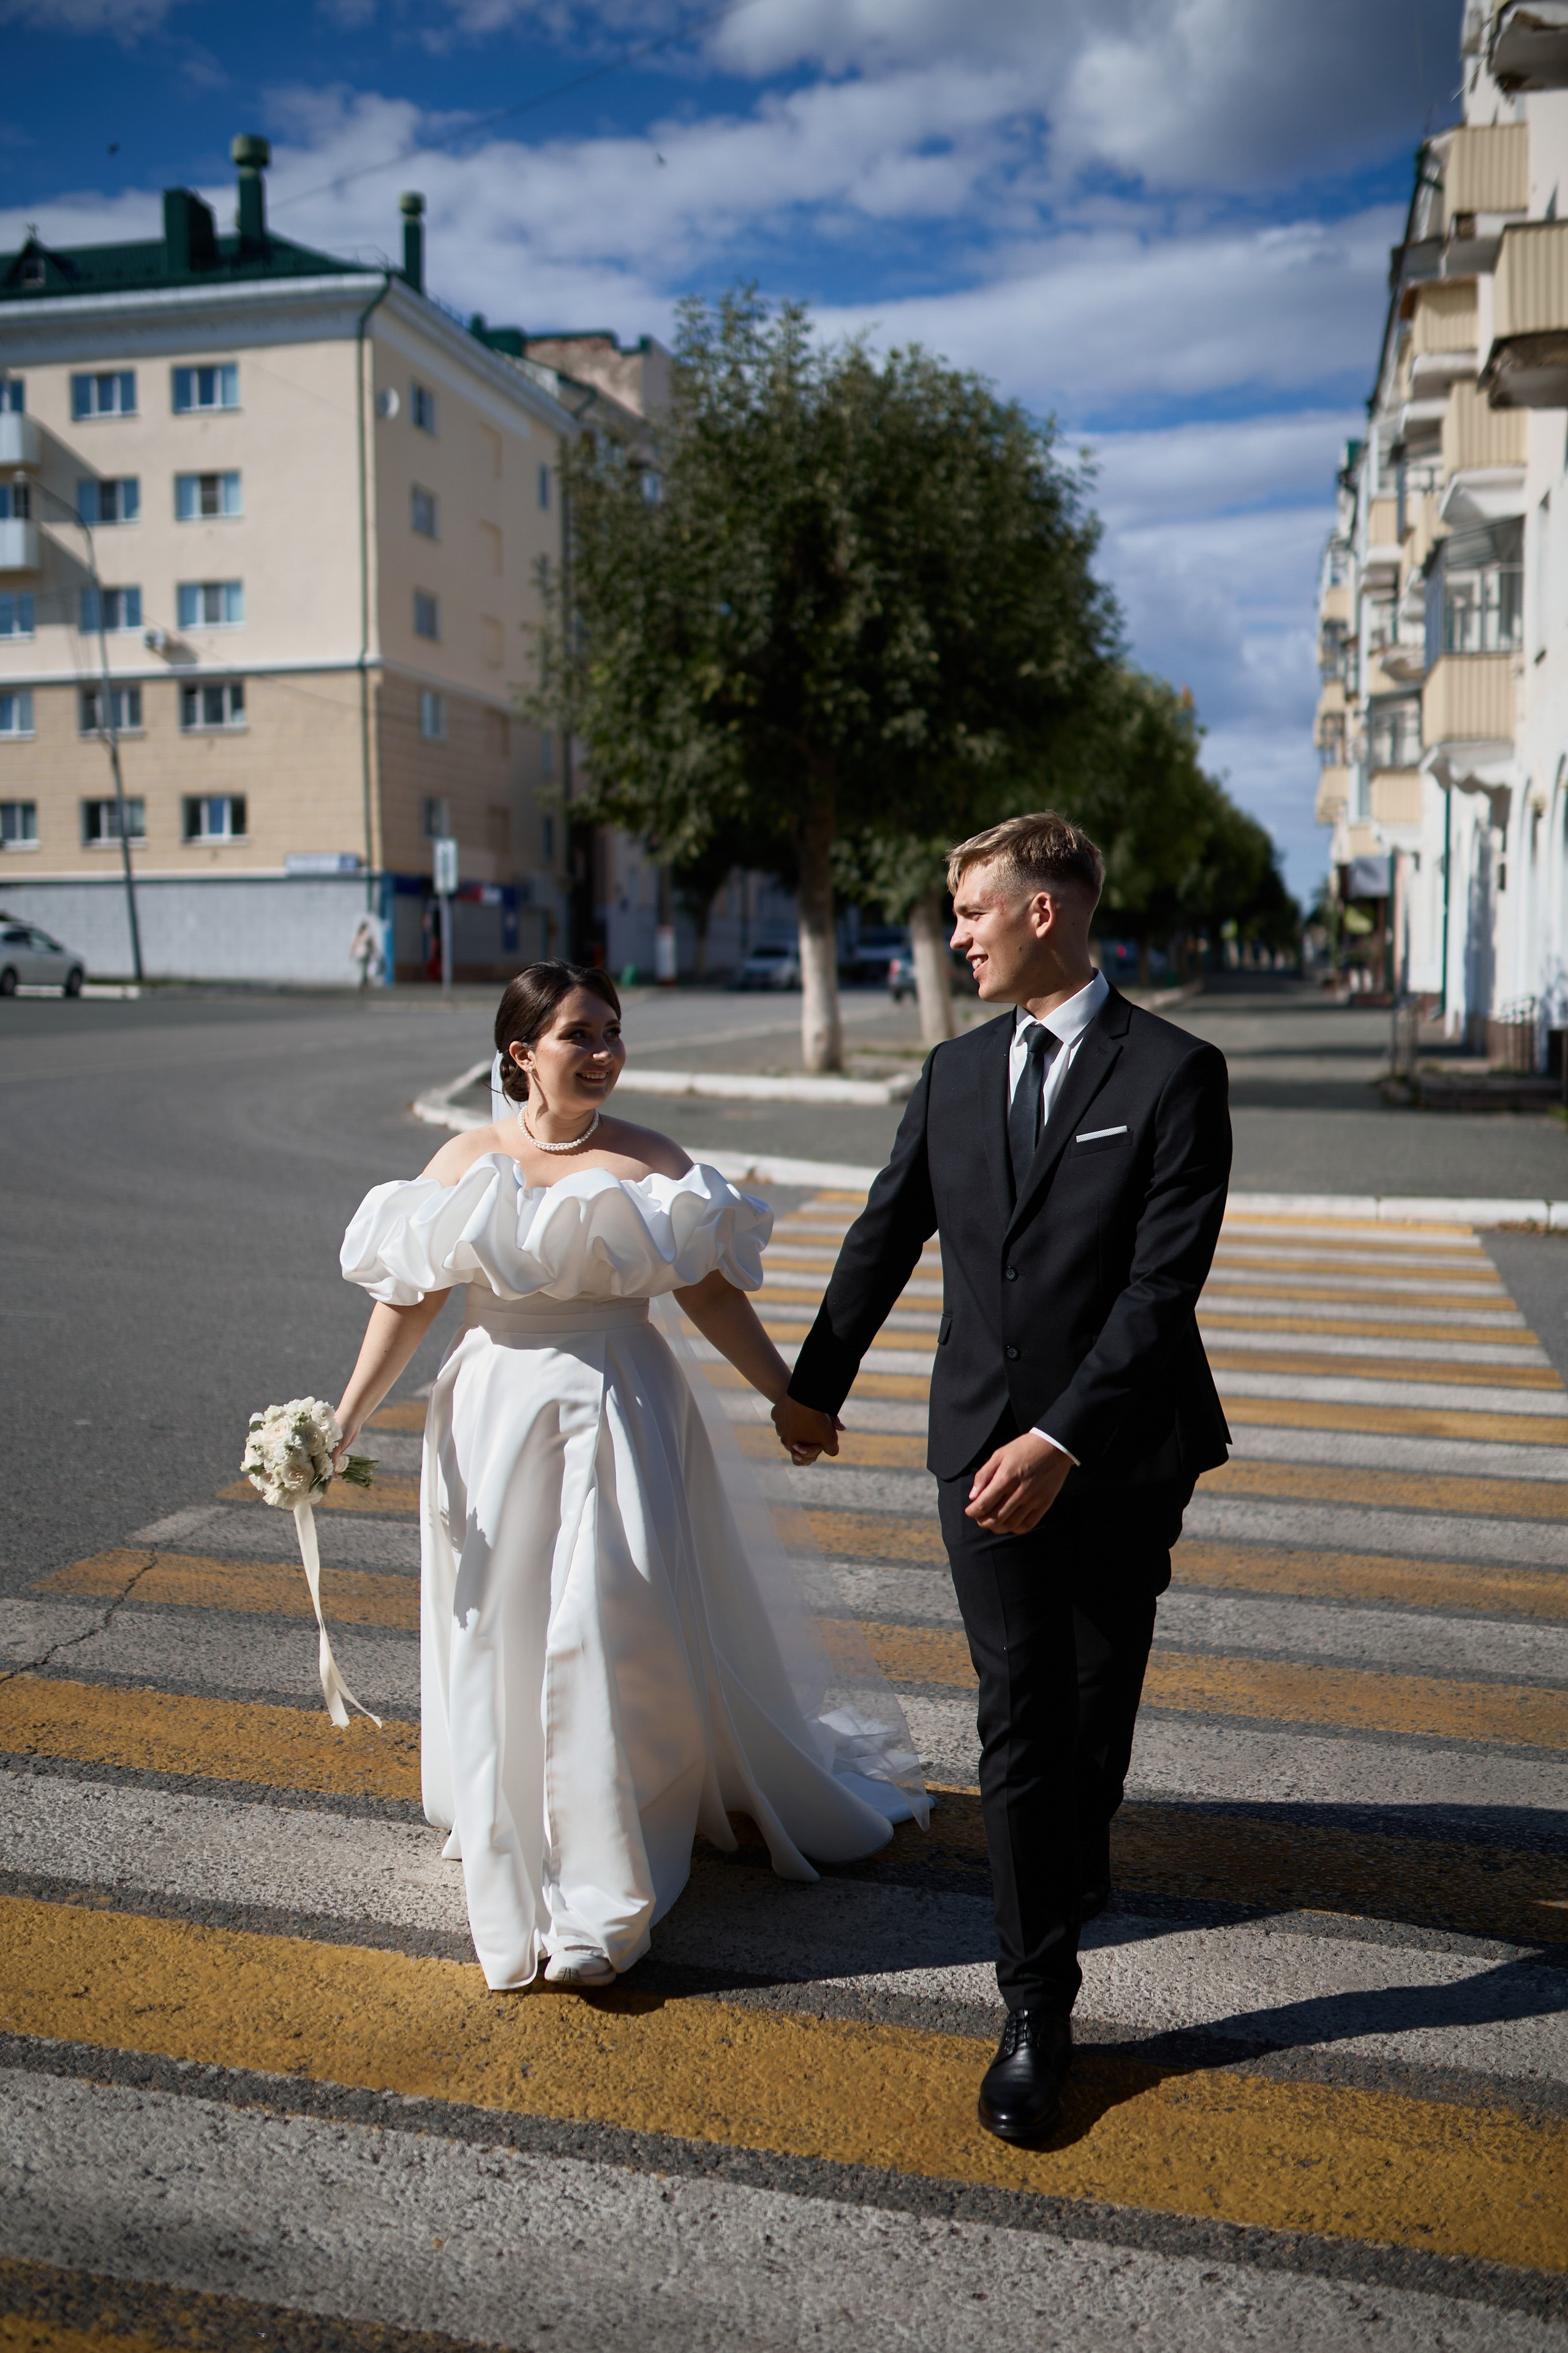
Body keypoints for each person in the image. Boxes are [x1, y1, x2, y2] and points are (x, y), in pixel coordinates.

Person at [334, 961, 924, 1993]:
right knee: (502, 1624)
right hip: (491, 1413)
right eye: (579, 1036)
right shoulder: (464, 1159)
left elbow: (707, 1293)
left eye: (612, 1032)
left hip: (621, 1403)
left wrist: (788, 1395)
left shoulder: (652, 1159)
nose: (604, 1053)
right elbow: (411, 1300)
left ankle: (605, 1877)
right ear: (521, 1053)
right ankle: (515, 1812)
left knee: (611, 1624)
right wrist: (343, 1419)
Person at [774, 814, 1231, 2143]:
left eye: (971, 909)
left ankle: (1066, 1858)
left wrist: (1065, 1438)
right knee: (1019, 1712)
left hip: (1125, 1450)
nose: (954, 932)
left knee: (1093, 1705)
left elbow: (1160, 1291)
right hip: (978, 1446)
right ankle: (1037, 2004)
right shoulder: (955, 1072)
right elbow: (884, 1230)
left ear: (1044, 912)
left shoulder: (1173, 1073)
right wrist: (815, 1385)